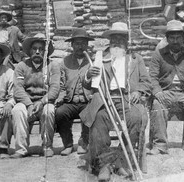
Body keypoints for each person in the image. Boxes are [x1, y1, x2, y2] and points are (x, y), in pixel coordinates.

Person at [80, 22, 150, 182]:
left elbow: (146, 82)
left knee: (136, 118)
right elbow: (86, 84)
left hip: (127, 101)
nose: (117, 42)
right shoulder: (100, 57)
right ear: (110, 40)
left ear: (126, 40)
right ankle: (104, 165)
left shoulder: (135, 58)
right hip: (105, 101)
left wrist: (137, 91)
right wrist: (88, 75)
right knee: (98, 119)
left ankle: (121, 161)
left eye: (121, 38)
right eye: (114, 38)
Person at [148, 20, 184, 155]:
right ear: (167, 39)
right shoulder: (159, 54)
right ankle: (160, 145)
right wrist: (157, 91)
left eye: (178, 38)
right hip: (165, 92)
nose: (175, 41)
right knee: (157, 106)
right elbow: (152, 77)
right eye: (172, 38)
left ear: (183, 38)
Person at [11, 33, 60, 158]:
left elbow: (55, 88)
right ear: (29, 50)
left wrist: (42, 102)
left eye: (41, 49)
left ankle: (47, 146)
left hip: (44, 102)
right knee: (17, 110)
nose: (37, 52)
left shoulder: (53, 66)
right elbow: (18, 88)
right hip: (26, 102)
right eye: (34, 49)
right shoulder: (21, 66)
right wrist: (28, 104)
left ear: (46, 51)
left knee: (49, 111)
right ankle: (21, 149)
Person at [55, 28, 93, 156]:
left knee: (91, 112)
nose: (80, 46)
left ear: (87, 45)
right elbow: (61, 83)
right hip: (70, 101)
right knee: (60, 113)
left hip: (87, 101)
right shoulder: (65, 62)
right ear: (72, 45)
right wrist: (60, 98)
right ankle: (68, 144)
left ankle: (84, 142)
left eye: (83, 43)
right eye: (77, 43)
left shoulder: (93, 62)